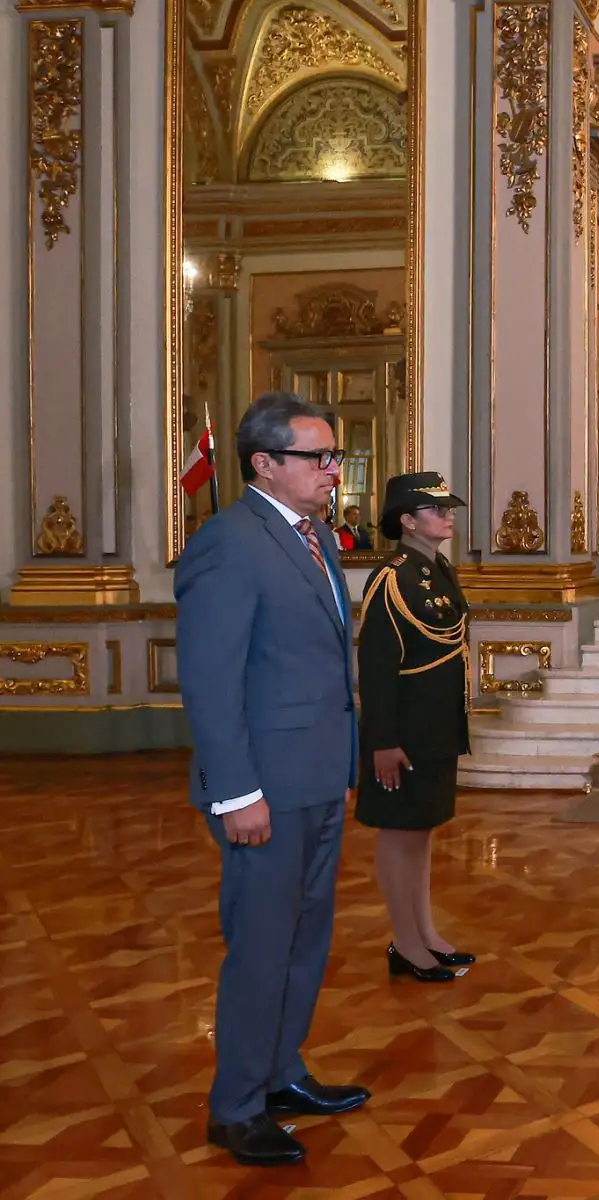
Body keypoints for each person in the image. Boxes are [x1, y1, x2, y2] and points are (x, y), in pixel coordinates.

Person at [174, 391, 371, 1167]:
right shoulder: (230, 542)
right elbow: (211, 681)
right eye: (317, 457)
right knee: (260, 947)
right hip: (263, 790)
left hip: (320, 778)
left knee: (304, 939)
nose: (332, 470)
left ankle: (282, 1072)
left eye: (332, 456)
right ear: (265, 463)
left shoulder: (316, 536)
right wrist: (235, 791)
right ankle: (235, 1108)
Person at [354, 473, 474, 985]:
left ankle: (424, 932)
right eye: (436, 509)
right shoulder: (390, 577)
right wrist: (383, 740)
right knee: (400, 835)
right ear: (407, 520)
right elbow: (378, 668)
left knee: (421, 832)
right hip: (401, 734)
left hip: (435, 727)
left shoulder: (436, 568)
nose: (448, 516)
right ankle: (404, 942)